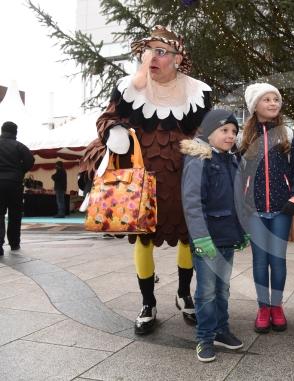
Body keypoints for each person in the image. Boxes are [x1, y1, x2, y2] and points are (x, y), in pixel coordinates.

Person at [80, 25, 211, 334]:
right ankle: (148, 302)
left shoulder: (198, 90)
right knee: (143, 237)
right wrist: (114, 131)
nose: (152, 57)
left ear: (178, 58)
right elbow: (108, 118)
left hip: (185, 173)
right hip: (141, 175)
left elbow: (206, 129)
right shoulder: (128, 87)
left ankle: (184, 294)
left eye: (161, 51)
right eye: (147, 51)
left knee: (186, 235)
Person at [181, 109, 248, 362]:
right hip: (206, 238)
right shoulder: (199, 159)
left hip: (227, 236)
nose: (230, 135)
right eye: (224, 130)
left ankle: (222, 330)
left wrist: (242, 231)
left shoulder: (231, 160)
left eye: (234, 131)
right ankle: (205, 337)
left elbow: (237, 201)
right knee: (207, 290)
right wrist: (200, 238)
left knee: (223, 288)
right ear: (209, 133)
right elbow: (191, 202)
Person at [238, 83, 294, 333]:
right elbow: (239, 174)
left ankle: (277, 306)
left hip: (280, 210)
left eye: (276, 99)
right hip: (254, 212)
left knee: (277, 260)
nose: (273, 103)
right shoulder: (245, 138)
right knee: (259, 260)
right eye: (267, 100)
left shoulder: (288, 134)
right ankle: (263, 307)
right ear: (255, 106)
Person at [0, 121, 35, 256]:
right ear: (15, 132)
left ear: (2, 130)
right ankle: (14, 243)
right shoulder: (19, 146)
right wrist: (20, 171)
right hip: (15, 183)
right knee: (15, 214)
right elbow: (30, 160)